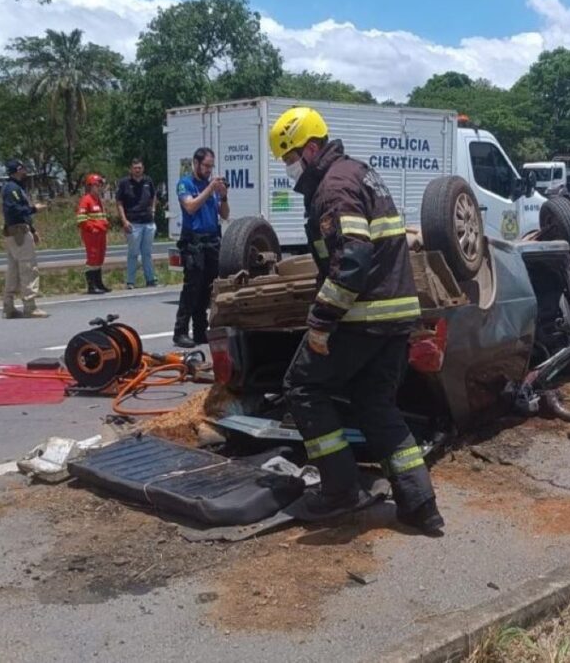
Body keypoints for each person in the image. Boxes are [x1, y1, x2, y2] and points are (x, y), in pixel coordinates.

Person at [268, 106, 444, 536]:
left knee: (302, 386)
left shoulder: (334, 189)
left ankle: (339, 490)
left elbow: (353, 258)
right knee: (375, 404)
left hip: (361, 317)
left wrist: (322, 321)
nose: (289, 169)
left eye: (290, 158)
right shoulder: (359, 173)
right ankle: (421, 506)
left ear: (310, 149)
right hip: (395, 317)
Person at [172, 147, 228, 348]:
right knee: (192, 287)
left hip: (212, 240)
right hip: (193, 241)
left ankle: (199, 330)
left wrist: (223, 195)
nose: (208, 170)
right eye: (206, 166)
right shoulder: (185, 184)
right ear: (196, 164)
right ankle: (180, 331)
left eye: (211, 167)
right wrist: (210, 189)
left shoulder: (209, 186)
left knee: (208, 288)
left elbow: (225, 214)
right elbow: (190, 206)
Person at [1, 159, 48, 319]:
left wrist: (33, 230)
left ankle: (9, 306)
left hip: (15, 231)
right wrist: (34, 209)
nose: (25, 171)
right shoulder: (13, 188)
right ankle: (30, 306)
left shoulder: (14, 187)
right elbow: (15, 210)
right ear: (18, 170)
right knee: (28, 268)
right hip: (19, 233)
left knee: (13, 270)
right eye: (23, 168)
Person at [116, 158, 158, 289]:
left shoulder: (148, 181)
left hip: (148, 223)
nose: (137, 170)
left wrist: (153, 210)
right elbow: (119, 203)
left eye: (139, 167)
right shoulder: (124, 183)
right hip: (133, 224)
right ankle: (130, 281)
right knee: (133, 253)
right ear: (131, 169)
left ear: (143, 168)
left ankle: (151, 279)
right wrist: (124, 220)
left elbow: (153, 196)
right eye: (135, 168)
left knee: (147, 253)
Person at [77, 173, 111, 295]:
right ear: (91, 186)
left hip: (100, 234)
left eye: (101, 185)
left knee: (99, 258)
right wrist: (92, 229)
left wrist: (105, 225)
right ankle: (92, 286)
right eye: (97, 185)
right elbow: (81, 219)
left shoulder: (98, 200)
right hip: (92, 235)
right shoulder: (86, 200)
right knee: (93, 258)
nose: (100, 187)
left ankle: (99, 283)